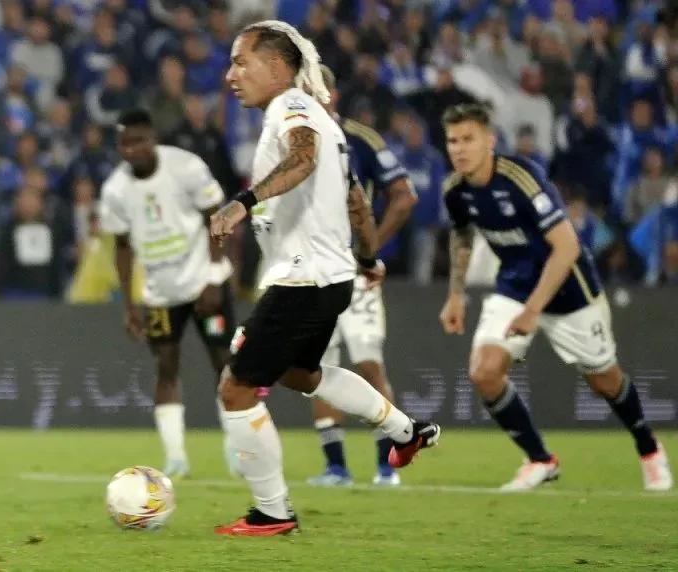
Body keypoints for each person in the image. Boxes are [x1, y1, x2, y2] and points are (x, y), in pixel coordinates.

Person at [210, 21, 441, 537]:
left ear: (277, 66)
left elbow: (303, 159)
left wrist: (242, 202)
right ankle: (408, 431)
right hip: (328, 277)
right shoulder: (327, 120)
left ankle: (272, 511)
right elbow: (356, 197)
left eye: (241, 62)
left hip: (303, 278)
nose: (231, 75)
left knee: (236, 388)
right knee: (300, 374)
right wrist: (366, 257)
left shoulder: (292, 109)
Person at [439, 102, 673, 492]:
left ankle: (650, 449)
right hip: (516, 283)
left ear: (490, 141)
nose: (459, 148)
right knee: (484, 371)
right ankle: (540, 460)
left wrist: (533, 312)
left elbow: (565, 247)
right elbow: (462, 234)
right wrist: (456, 294)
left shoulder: (521, 178)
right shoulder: (455, 191)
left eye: (468, 139)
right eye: (452, 141)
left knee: (604, 380)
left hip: (568, 288)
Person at [98, 108, 239, 479]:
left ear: (153, 138)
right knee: (165, 366)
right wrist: (128, 304)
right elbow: (123, 246)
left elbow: (218, 217)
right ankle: (176, 457)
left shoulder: (186, 168)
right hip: (159, 293)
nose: (134, 150)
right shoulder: (115, 190)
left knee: (224, 362)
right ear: (119, 146)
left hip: (204, 282)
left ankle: (236, 447)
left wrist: (213, 276)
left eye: (140, 141)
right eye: (126, 144)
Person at [304, 65, 419, 488]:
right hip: (310, 273)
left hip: (355, 276)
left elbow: (404, 197)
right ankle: (336, 468)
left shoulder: (360, 140)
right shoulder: (292, 141)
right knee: (316, 369)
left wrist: (367, 251)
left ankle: (387, 465)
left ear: (330, 94)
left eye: (311, 91)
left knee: (369, 364)